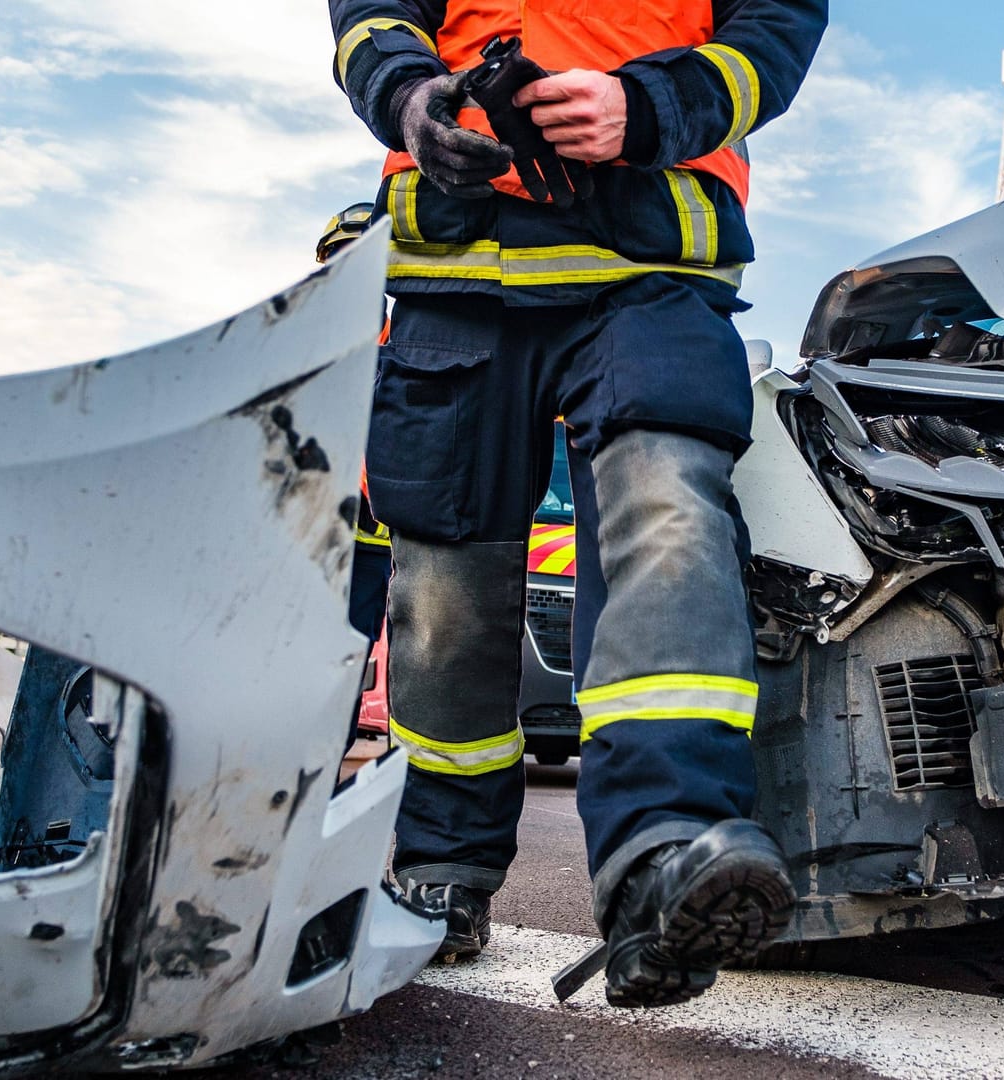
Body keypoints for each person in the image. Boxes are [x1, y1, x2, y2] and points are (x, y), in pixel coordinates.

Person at [327, 0, 827, 1007]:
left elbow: (773, 33)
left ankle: (662, 858)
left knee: (669, 511)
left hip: (648, 265)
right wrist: (417, 100)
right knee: (446, 585)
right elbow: (370, 17)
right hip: (456, 268)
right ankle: (444, 871)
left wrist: (648, 107)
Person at [314, 201, 393, 643]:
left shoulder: (406, 347)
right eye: (343, 257)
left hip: (369, 546)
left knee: (342, 673)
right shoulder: (297, 341)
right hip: (303, 536)